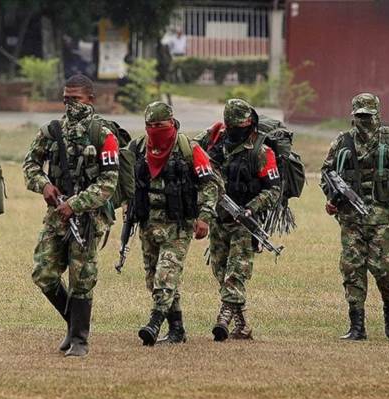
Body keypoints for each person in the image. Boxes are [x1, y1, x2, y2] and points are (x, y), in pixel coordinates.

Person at [23, 74, 120, 357]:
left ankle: (79, 339)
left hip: (88, 217)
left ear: (91, 99)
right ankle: (72, 321)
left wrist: (76, 204)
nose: (69, 105)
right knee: (43, 272)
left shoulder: (103, 134)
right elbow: (30, 164)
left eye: (75, 100)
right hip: (57, 214)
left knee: (82, 276)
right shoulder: (51, 131)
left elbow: (108, 181)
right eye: (66, 99)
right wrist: (44, 186)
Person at [321, 93, 389, 340]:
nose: (363, 121)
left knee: (388, 271)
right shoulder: (341, 142)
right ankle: (357, 325)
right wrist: (332, 198)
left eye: (368, 116)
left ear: (377, 115)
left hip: (383, 220)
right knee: (352, 269)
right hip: (350, 221)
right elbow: (327, 173)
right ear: (353, 116)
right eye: (359, 116)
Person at [130, 102, 220, 345]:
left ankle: (154, 323)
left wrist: (204, 218)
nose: (154, 129)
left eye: (159, 125)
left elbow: (210, 185)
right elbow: (125, 181)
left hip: (178, 226)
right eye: (149, 125)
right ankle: (177, 328)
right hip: (148, 224)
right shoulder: (139, 147)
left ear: (171, 123)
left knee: (166, 274)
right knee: (153, 278)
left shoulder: (189, 149)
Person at [195, 99, 280, 341]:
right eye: (234, 126)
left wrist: (251, 209)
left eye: (244, 126)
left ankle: (223, 318)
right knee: (221, 271)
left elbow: (273, 190)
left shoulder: (261, 151)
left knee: (236, 273)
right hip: (219, 219)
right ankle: (242, 327)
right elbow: (190, 150)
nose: (239, 130)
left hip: (245, 222)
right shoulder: (216, 141)